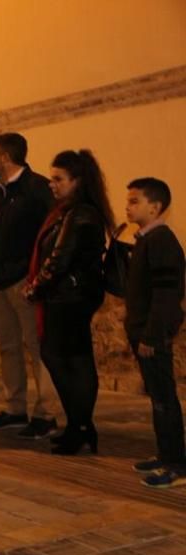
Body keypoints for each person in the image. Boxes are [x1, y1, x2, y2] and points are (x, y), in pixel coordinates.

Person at [24, 151, 110, 455]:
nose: (52, 184)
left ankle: (82, 426)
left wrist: (36, 287)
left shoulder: (81, 213)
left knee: (69, 359)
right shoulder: (68, 211)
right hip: (65, 296)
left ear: (77, 181)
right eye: (52, 178)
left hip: (71, 298)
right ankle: (79, 426)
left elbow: (60, 258)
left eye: (59, 179)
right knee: (67, 358)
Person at [0, 132, 59, 439]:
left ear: (6, 157)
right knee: (7, 348)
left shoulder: (37, 189)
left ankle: (46, 413)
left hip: (24, 281)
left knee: (36, 347)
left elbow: (51, 233)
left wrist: (37, 277)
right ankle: (14, 409)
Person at [123, 178, 185, 488]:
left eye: (135, 201)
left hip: (153, 335)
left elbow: (165, 295)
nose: (128, 206)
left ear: (156, 206)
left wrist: (151, 335)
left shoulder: (161, 241)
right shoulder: (146, 239)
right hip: (144, 332)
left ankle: (177, 465)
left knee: (164, 400)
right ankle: (165, 454)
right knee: (157, 398)